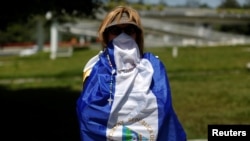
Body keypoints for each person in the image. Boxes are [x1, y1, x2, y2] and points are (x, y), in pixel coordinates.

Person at [76, 5, 186, 141]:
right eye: (115, 30)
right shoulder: (93, 67)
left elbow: (164, 108)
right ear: (105, 35)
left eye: (130, 30)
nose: (123, 36)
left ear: (137, 35)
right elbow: (89, 113)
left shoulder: (153, 66)